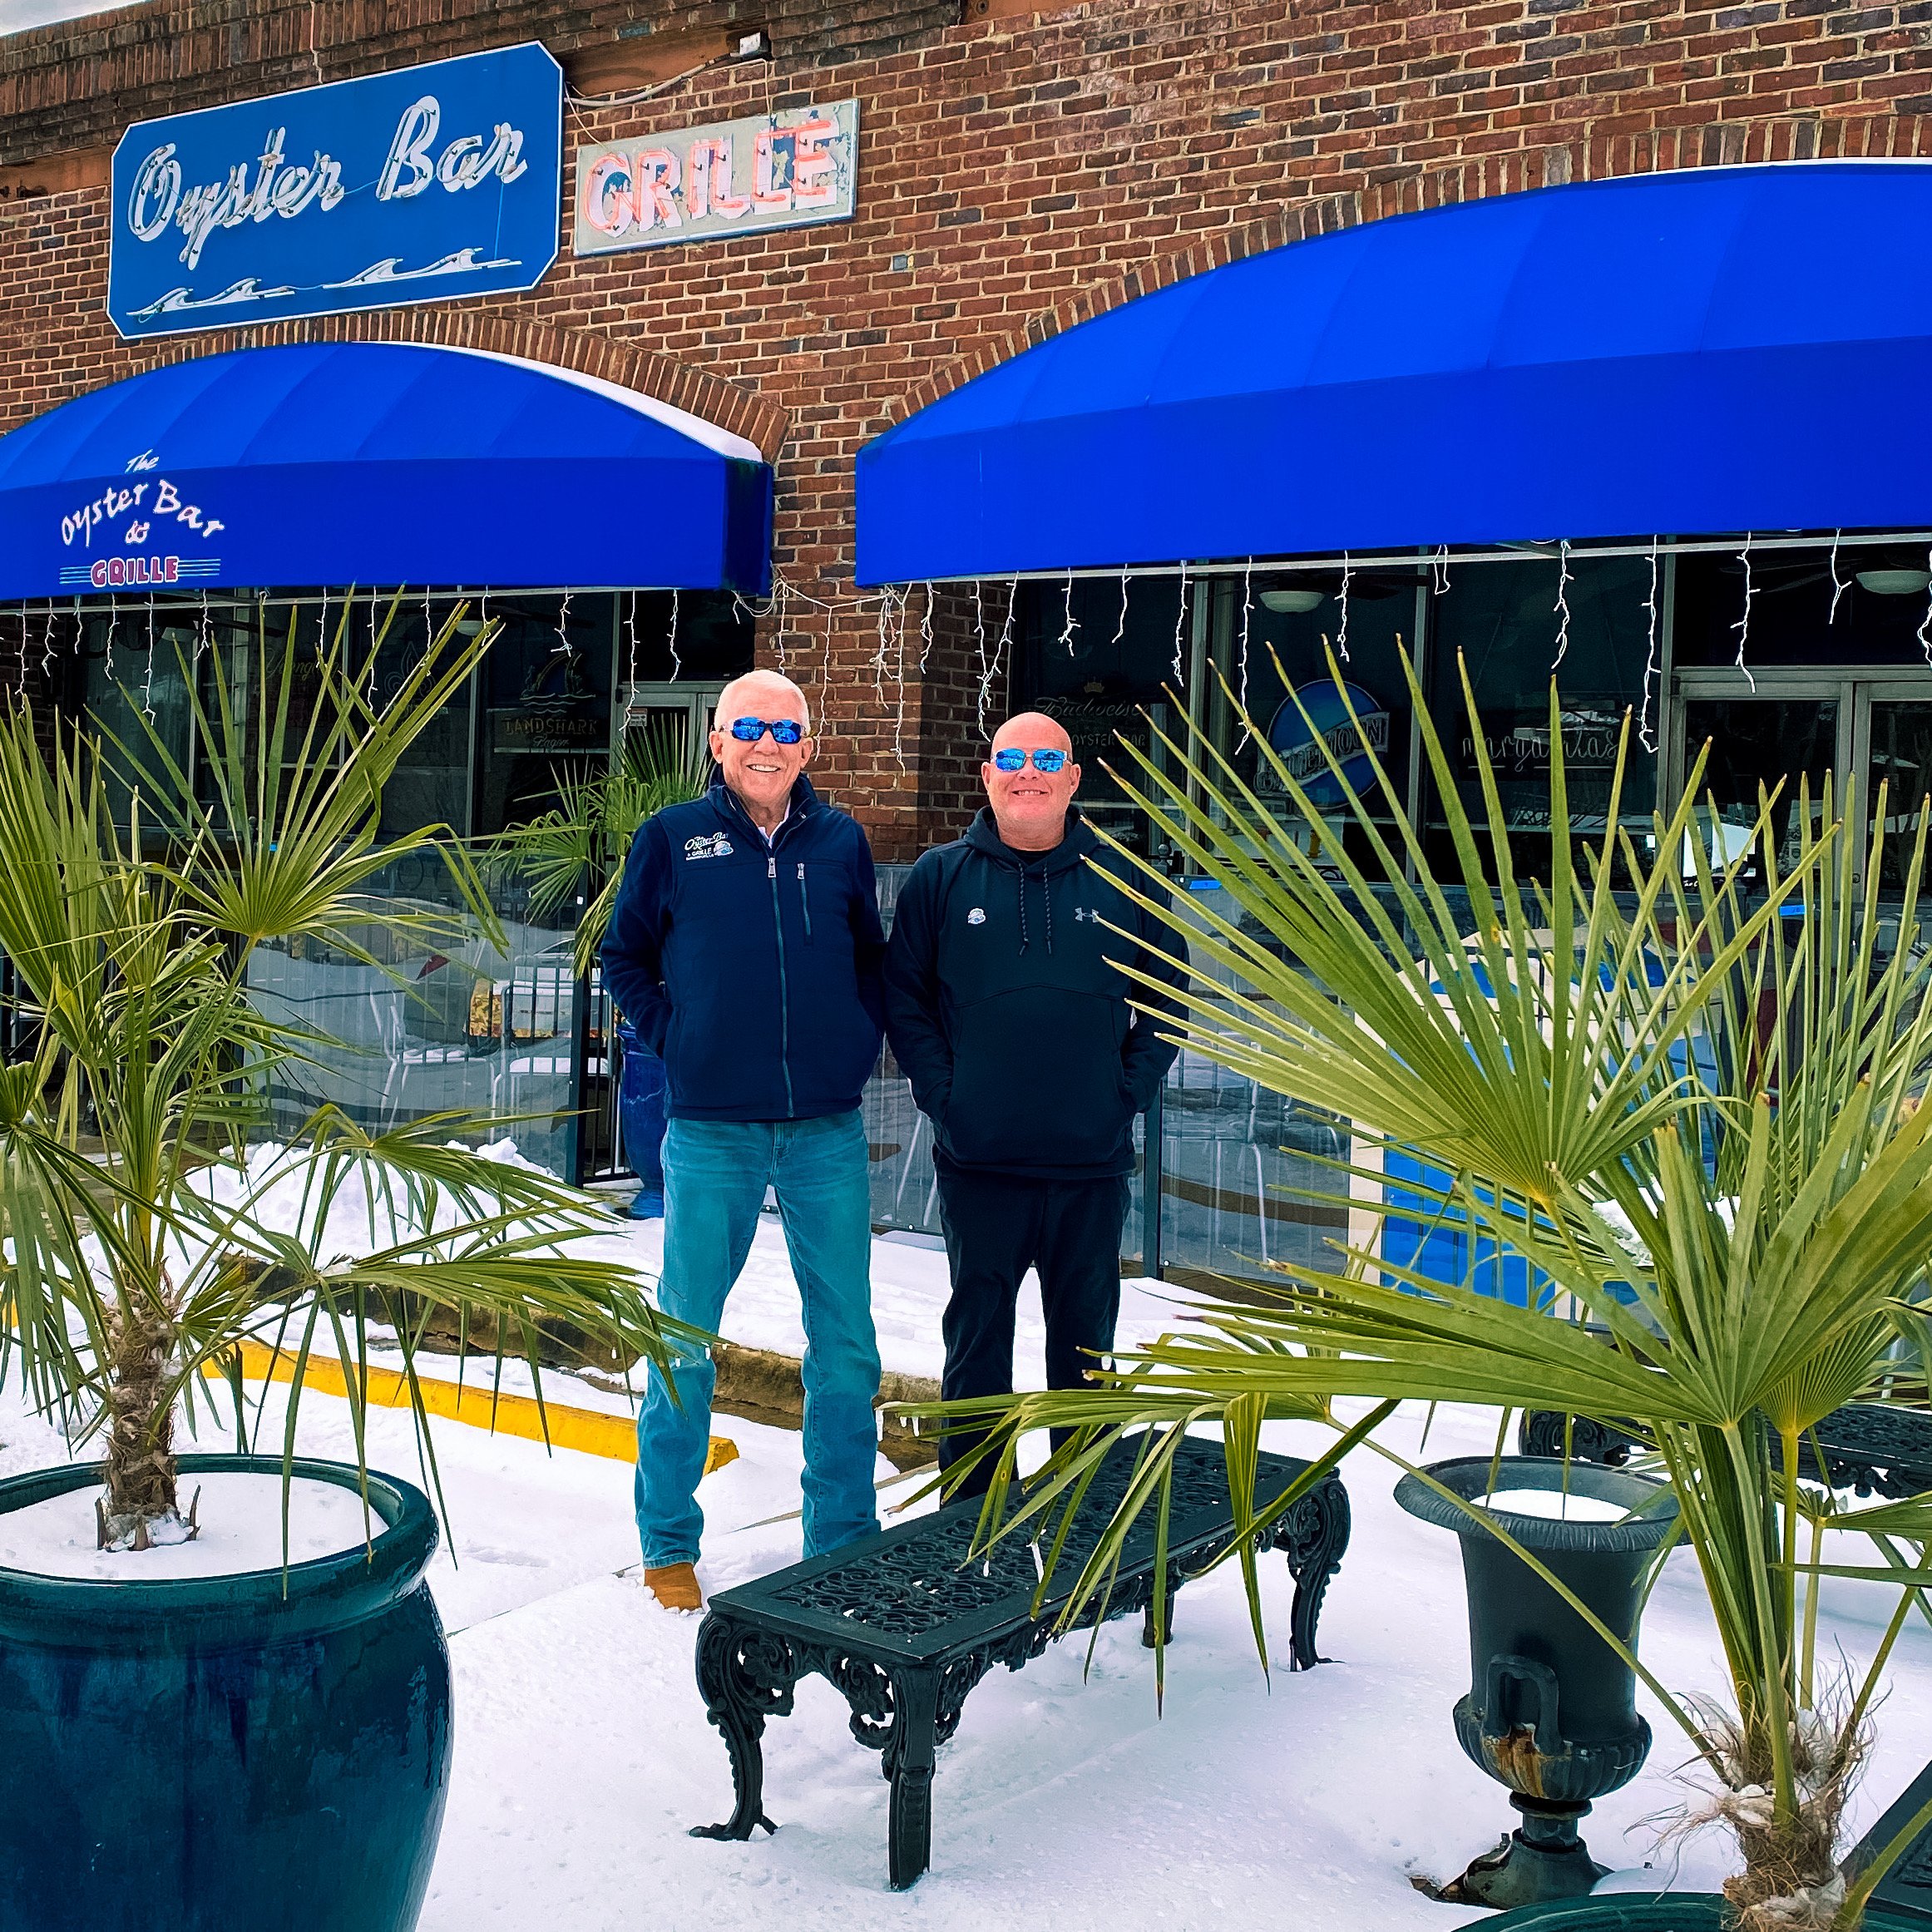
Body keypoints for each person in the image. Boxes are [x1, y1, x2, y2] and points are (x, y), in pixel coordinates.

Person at [602, 670, 887, 1610]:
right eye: (747, 728)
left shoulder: (842, 841)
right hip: (712, 1131)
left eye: (785, 728)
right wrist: (677, 1035)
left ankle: (842, 1535)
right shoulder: (673, 839)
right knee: (685, 1336)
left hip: (824, 1132)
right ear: (717, 744)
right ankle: (667, 1539)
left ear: (807, 746)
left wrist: (855, 1036)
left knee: (844, 1344)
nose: (767, 743)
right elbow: (624, 954)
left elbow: (868, 958)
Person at [883, 712, 1187, 1493]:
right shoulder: (939, 878)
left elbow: (1167, 996)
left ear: (1072, 778)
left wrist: (1124, 1091)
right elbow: (905, 999)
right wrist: (944, 1096)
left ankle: (1078, 1513)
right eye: (1010, 758)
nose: (1028, 772)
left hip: (1088, 1163)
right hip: (979, 1161)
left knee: (1085, 1351)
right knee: (977, 1344)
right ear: (986, 776)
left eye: (1046, 758)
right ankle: (972, 1518)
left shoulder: (1126, 881)